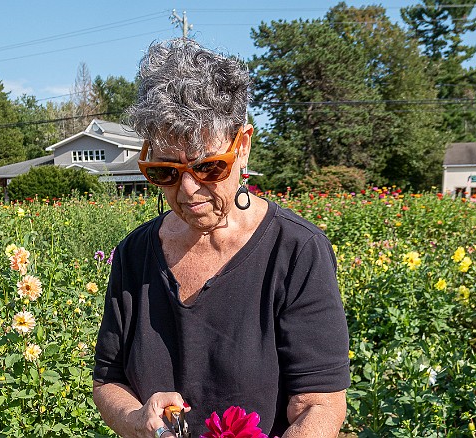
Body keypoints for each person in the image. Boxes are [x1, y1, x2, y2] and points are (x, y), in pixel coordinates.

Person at [93, 39, 350, 438]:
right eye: (166, 172)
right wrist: (135, 418)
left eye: (209, 167)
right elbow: (109, 380)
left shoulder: (296, 251)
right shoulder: (134, 254)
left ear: (242, 146)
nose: (188, 190)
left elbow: (320, 404)